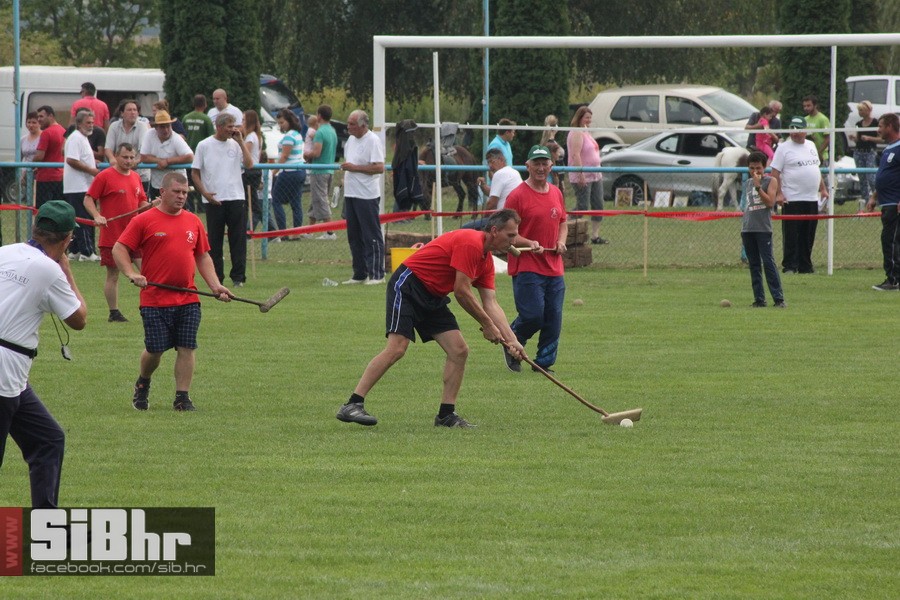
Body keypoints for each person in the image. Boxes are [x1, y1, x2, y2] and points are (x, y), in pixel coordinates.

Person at [336, 209, 527, 428]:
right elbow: (462, 292)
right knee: (397, 347)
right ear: (494, 231)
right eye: (510, 235)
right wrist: (486, 325)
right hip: (409, 286)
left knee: (459, 350)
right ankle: (352, 404)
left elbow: (491, 303)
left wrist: (512, 340)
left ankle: (446, 415)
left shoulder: (486, 262)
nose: (514, 240)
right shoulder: (470, 243)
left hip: (433, 295)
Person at [113, 172, 232, 412]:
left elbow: (202, 255)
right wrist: (132, 274)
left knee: (187, 346)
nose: (181, 197)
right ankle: (143, 382)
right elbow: (119, 248)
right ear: (162, 192)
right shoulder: (144, 220)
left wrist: (215, 285)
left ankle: (182, 397)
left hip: (188, 297)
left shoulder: (193, 221)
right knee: (155, 350)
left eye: (185, 193)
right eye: (177, 192)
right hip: (155, 299)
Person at [0, 200, 87, 508]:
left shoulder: (6, 251)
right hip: (5, 371)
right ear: (66, 239)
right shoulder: (50, 270)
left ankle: (47, 524)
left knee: (48, 439)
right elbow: (79, 319)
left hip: (14, 376)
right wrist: (66, 271)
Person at [504, 145, 568, 373]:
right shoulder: (517, 196)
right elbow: (507, 233)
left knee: (553, 317)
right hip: (527, 265)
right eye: (536, 163)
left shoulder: (556, 192)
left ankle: (543, 362)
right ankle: (511, 340)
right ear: (527, 166)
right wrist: (529, 243)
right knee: (533, 315)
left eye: (545, 163)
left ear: (551, 166)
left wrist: (561, 241)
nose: (541, 168)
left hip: (554, 266)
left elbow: (562, 222)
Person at [83, 143, 149, 322]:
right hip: (112, 236)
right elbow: (88, 199)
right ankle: (114, 312)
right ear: (116, 157)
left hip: (134, 235)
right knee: (113, 275)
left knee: (147, 273)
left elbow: (141, 203)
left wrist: (152, 206)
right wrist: (97, 215)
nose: (128, 161)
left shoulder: (135, 177)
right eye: (125, 157)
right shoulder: (105, 176)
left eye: (131, 157)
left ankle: (150, 308)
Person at [191, 113, 253, 288]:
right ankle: (217, 277)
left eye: (234, 126)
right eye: (229, 126)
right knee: (215, 242)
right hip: (214, 199)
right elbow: (195, 173)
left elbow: (249, 164)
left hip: (236, 197)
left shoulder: (236, 144)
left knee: (238, 239)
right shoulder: (204, 145)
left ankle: (238, 277)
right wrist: (205, 193)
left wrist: (241, 141)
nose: (233, 130)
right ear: (219, 127)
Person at [771, 117, 828, 275]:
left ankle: (805, 265)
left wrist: (822, 189)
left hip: (811, 198)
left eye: (798, 129)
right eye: (792, 129)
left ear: (805, 131)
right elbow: (775, 172)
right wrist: (779, 193)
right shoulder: (783, 148)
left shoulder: (810, 145)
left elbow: (816, 169)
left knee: (808, 233)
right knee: (792, 234)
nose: (795, 133)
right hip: (792, 198)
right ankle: (790, 265)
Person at [340, 109, 386, 285]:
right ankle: (360, 273)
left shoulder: (373, 141)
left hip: (367, 195)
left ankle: (377, 274)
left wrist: (354, 168)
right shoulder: (351, 140)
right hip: (351, 192)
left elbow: (379, 167)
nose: (348, 127)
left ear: (362, 125)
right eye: (348, 123)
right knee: (354, 235)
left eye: (352, 124)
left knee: (371, 234)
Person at [740, 151, 785, 308]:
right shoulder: (747, 183)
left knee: (768, 262)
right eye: (752, 168)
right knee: (754, 264)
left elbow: (769, 202)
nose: (755, 172)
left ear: (764, 167)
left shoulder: (770, 181)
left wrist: (759, 187)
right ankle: (759, 299)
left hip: (763, 229)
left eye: (758, 168)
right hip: (748, 229)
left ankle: (778, 298)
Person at [865, 113, 900, 291]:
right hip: (886, 203)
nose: (878, 130)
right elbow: (886, 176)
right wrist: (874, 197)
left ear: (890, 126)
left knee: (891, 240)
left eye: (880, 126)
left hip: (895, 203)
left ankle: (893, 280)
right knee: (890, 240)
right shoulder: (888, 149)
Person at [63, 109, 100, 261]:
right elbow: (71, 160)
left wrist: (92, 163)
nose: (91, 125)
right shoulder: (76, 138)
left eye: (92, 122)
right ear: (79, 123)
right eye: (88, 123)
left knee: (79, 218)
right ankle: (87, 251)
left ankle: (75, 250)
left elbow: (80, 158)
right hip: (78, 186)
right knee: (83, 218)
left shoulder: (83, 138)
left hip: (83, 185)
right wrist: (92, 170)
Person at [567, 106, 606, 244]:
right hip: (583, 175)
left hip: (595, 174)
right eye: (586, 117)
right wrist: (580, 174)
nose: (589, 120)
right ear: (580, 117)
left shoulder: (586, 131)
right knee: (582, 206)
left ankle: (595, 236)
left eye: (590, 117)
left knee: (598, 204)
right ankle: (566, 227)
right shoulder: (576, 133)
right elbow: (575, 154)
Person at [140, 109, 194, 199]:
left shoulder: (176, 138)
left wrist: (168, 161)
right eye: (162, 127)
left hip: (177, 184)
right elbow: (144, 157)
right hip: (157, 183)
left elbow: (190, 157)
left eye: (168, 126)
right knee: (156, 211)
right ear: (156, 127)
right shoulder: (149, 134)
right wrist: (160, 161)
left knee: (177, 211)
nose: (166, 130)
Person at [304, 105, 339, 239]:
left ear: (319, 116)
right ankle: (309, 230)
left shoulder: (320, 132)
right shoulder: (332, 131)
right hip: (329, 169)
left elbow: (317, 153)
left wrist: (307, 154)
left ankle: (330, 232)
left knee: (321, 200)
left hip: (319, 170)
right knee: (316, 199)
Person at [466, 147, 522, 230]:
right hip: (515, 217)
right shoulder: (514, 172)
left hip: (503, 219)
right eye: (488, 163)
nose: (490, 166)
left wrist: (483, 218)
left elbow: (492, 203)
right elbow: (492, 194)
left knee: (465, 228)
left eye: (492, 162)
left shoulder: (499, 174)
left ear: (501, 159)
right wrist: (482, 185)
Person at [271, 108, 307, 235]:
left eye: (282, 122)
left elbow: (284, 157)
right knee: (296, 202)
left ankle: (283, 232)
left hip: (290, 171)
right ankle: (297, 231)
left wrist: (272, 173)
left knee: (276, 200)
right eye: (279, 123)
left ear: (289, 121)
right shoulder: (297, 134)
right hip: (300, 171)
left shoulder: (289, 136)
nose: (280, 125)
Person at [104, 99, 150, 192]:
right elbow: (108, 148)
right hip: (118, 173)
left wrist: (133, 162)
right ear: (122, 113)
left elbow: (143, 151)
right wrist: (112, 159)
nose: (133, 113)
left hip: (140, 174)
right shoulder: (114, 126)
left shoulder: (143, 126)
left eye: (135, 110)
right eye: (129, 110)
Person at [182, 94, 215, 212]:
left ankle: (190, 207)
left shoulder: (186, 118)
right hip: (201, 156)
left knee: (189, 183)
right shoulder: (206, 119)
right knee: (201, 182)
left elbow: (183, 135)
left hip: (187, 156)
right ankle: (201, 208)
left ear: (194, 104)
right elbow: (212, 137)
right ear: (205, 104)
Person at [33, 105, 66, 208]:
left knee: (43, 211)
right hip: (60, 177)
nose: (39, 119)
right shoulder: (62, 130)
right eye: (38, 117)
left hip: (45, 178)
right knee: (58, 210)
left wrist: (30, 164)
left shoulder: (46, 133)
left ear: (50, 116)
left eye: (41, 116)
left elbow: (39, 156)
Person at [850, 100, 880, 208]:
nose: (860, 112)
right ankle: (866, 202)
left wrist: (869, 138)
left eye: (862, 110)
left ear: (869, 110)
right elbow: (858, 139)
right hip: (859, 152)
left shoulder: (875, 123)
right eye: (859, 110)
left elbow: (881, 139)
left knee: (871, 178)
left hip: (870, 152)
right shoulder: (858, 124)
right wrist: (854, 138)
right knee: (862, 178)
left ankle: (877, 199)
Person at [242, 109, 267, 232]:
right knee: (249, 203)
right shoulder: (255, 136)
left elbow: (245, 153)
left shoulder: (251, 137)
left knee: (253, 204)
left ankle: (271, 230)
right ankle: (246, 229)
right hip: (252, 172)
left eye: (243, 120)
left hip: (250, 172)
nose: (241, 123)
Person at [803, 95, 831, 165]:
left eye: (808, 106)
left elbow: (827, 139)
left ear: (815, 105)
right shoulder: (805, 119)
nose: (806, 108)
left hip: (821, 155)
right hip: (808, 155)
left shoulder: (823, 119)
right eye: (804, 106)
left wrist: (819, 152)